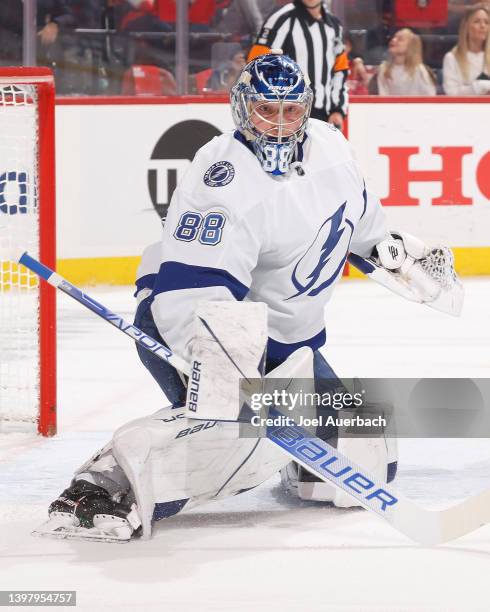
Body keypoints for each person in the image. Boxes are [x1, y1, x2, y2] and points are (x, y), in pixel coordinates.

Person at [37, 52, 461, 542]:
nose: (280, 125)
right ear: (242, 109)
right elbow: (193, 291)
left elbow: (362, 229)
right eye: (266, 110)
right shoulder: (223, 177)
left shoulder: (331, 147)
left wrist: (399, 256)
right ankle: (101, 488)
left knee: (366, 453)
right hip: (204, 330)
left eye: (290, 110)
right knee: (227, 438)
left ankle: (283, 454)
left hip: (287, 348)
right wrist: (229, 375)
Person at [248, 0, 349, 129]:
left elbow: (340, 70)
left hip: (325, 116)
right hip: (289, 114)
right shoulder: (281, 19)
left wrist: (338, 109)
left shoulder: (334, 25)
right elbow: (255, 66)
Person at [443, 4, 490, 95]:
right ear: (466, 27)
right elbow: (451, 93)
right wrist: (479, 87)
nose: (482, 26)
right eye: (477, 22)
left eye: (486, 22)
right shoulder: (451, 58)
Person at [376, 28, 436, 96]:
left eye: (400, 39)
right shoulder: (384, 69)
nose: (393, 40)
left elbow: (430, 97)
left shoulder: (420, 70)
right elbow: (383, 97)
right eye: (394, 37)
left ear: (411, 46)